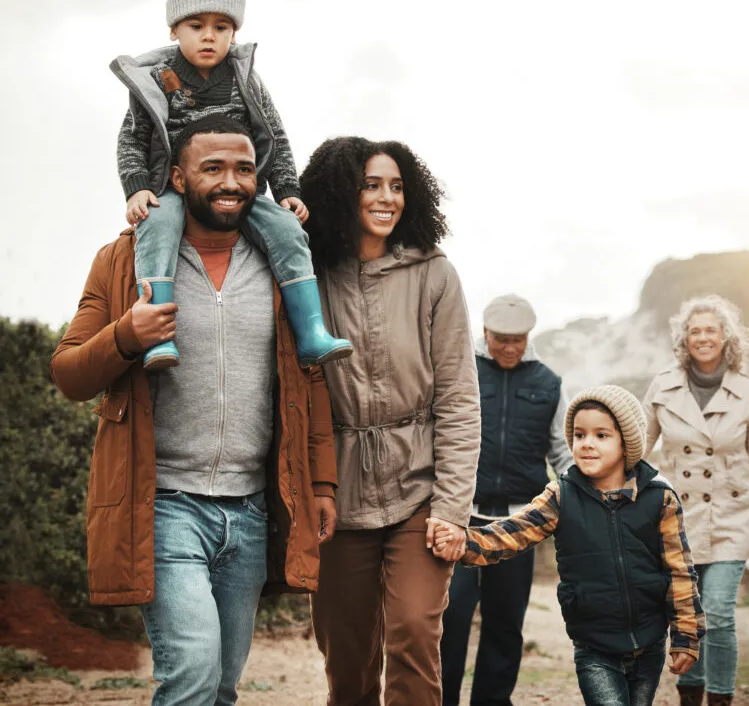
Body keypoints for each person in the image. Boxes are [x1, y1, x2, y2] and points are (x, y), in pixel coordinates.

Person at [50, 117, 339, 706]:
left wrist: (324, 482)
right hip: (164, 506)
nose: (231, 182)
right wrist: (127, 335)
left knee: (223, 686)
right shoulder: (124, 260)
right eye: (213, 168)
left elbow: (308, 390)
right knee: (192, 674)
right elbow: (69, 372)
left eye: (243, 169)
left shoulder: (283, 267)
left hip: (252, 510)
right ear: (178, 177)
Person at [299, 136, 481, 706]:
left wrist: (452, 508)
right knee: (346, 656)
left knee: (414, 634)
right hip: (337, 491)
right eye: (371, 185)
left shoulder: (434, 273)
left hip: (419, 487)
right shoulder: (308, 273)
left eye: (397, 186)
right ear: (338, 193)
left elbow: (458, 397)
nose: (386, 198)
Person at [111, 0, 351, 370]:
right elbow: (132, 138)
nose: (209, 35)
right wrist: (137, 188)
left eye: (221, 26)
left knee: (287, 229)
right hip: (174, 187)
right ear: (174, 30)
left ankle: (311, 332)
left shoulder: (245, 78)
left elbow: (274, 133)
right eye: (196, 25)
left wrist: (287, 189)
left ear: (233, 33)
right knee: (156, 226)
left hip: (238, 188)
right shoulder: (156, 79)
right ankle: (158, 337)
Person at [431, 385, 706, 706]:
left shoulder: (660, 498)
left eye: (601, 435)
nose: (587, 443)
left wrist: (686, 635)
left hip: (650, 642)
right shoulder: (562, 496)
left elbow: (680, 571)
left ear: (627, 443)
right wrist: (464, 542)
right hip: (594, 646)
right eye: (579, 435)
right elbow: (511, 533)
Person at [642, 294, 749, 706]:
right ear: (684, 339)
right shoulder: (662, 386)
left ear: (725, 337)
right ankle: (691, 697)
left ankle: (720, 699)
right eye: (695, 331)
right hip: (679, 518)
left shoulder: (748, 391)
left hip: (732, 517)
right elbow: (636, 448)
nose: (703, 337)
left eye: (711, 330)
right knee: (687, 616)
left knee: (720, 614)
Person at [440, 293, 574, 706]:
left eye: (518, 339)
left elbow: (561, 451)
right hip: (461, 517)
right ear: (485, 333)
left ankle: (492, 702)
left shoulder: (549, 383)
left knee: (505, 622)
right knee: (452, 615)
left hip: (520, 524)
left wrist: (585, 493)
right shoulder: (462, 370)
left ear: (528, 336)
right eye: (501, 339)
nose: (510, 347)